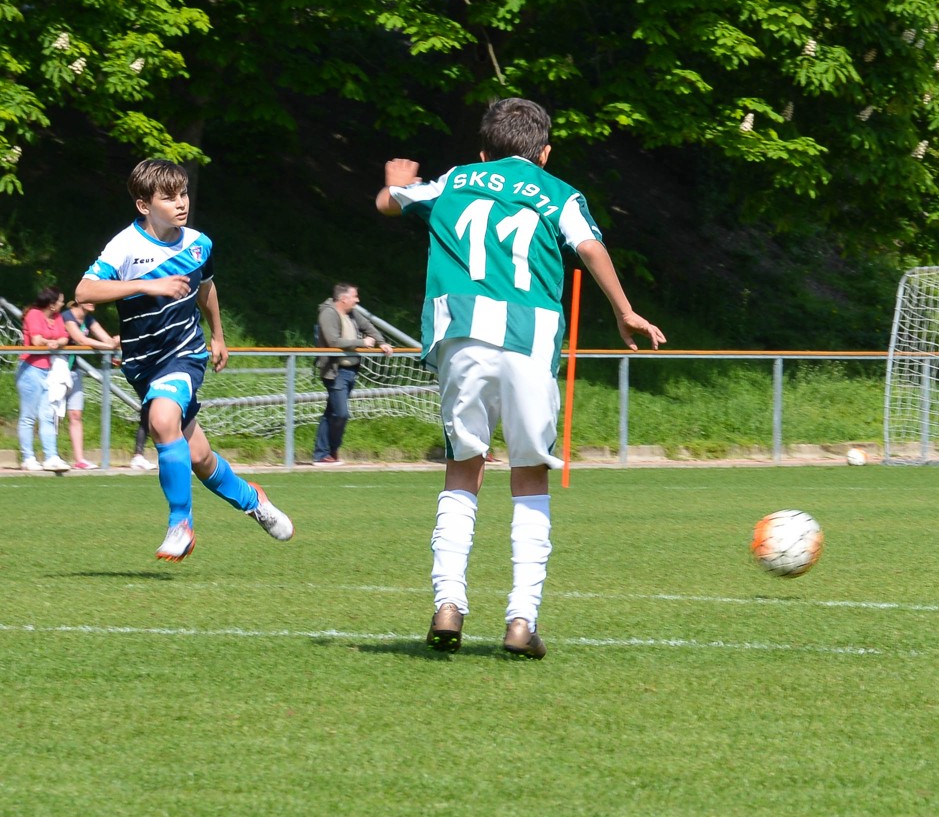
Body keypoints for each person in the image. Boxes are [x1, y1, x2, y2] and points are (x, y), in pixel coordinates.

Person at [379, 97, 665, 659]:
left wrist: (392, 184)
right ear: (545, 152)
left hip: (461, 332)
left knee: (463, 468)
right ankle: (520, 619)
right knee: (530, 474)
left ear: (484, 151)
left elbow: (391, 204)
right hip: (529, 339)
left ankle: (448, 604)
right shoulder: (560, 193)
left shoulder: (458, 178)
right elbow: (589, 246)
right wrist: (625, 310)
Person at [77, 159, 295, 560]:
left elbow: (206, 288)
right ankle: (254, 500)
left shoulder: (199, 243)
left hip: (184, 353)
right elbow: (84, 292)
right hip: (142, 364)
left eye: (184, 194)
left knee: (162, 421)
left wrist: (218, 335)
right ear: (144, 205)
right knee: (199, 457)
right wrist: (147, 285)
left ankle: (180, 524)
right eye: (169, 197)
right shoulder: (125, 246)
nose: (181, 203)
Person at [312, 282, 390, 466]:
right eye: (354, 296)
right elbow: (333, 341)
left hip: (350, 370)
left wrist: (381, 342)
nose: (357, 300)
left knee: (332, 412)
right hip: (335, 371)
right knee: (341, 413)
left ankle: (324, 454)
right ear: (343, 298)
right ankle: (327, 451)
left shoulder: (352, 313)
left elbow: (368, 326)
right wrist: (362, 343)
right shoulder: (328, 313)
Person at [60, 298, 119, 470]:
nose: (93, 303)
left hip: (74, 371)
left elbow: (106, 339)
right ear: (79, 301)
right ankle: (50, 455)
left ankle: (79, 459)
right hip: (57, 370)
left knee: (76, 414)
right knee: (51, 415)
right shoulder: (67, 316)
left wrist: (115, 341)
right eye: (89, 300)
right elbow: (80, 340)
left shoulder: (88, 319)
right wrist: (107, 346)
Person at [17, 288, 70, 472]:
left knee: (47, 415)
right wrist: (50, 342)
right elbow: (36, 340)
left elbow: (64, 337)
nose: (63, 303)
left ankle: (51, 456)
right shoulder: (34, 314)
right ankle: (28, 458)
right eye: (60, 300)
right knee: (28, 416)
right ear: (52, 303)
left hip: (49, 370)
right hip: (30, 370)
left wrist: (57, 342)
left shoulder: (57, 317)